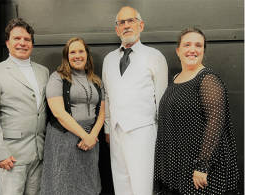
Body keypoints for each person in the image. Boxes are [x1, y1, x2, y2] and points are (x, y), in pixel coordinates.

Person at [153, 27, 239, 195]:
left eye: (198, 45)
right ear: (178, 51)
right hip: (178, 168)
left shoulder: (207, 78)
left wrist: (203, 165)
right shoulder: (175, 80)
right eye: (187, 45)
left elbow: (215, 121)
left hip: (200, 171)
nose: (192, 49)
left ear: (203, 51)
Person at [0, 18, 49, 195]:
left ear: (32, 43)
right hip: (11, 157)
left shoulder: (43, 71)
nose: (22, 43)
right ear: (7, 42)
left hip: (40, 153)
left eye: (27, 39)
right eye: (17, 38)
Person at [102, 6, 168, 195]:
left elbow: (161, 101)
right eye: (121, 22)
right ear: (117, 29)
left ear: (141, 25)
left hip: (144, 133)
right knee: (121, 185)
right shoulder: (109, 59)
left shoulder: (154, 56)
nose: (126, 25)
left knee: (142, 187)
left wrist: (160, 136)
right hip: (115, 133)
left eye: (131, 21)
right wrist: (107, 129)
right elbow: (107, 96)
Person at [40, 37, 105, 195]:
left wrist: (92, 136)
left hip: (90, 140)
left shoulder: (96, 80)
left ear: (87, 54)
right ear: (66, 57)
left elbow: (102, 111)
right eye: (72, 52)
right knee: (62, 185)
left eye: (81, 51)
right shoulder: (57, 77)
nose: (77, 55)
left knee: (88, 185)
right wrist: (84, 135)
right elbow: (58, 112)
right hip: (64, 138)